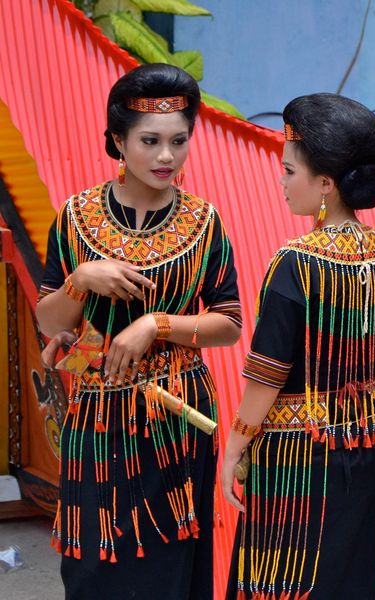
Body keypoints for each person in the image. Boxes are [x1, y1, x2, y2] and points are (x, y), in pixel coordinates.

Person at [36, 63, 241, 600]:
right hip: (96, 414)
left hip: (176, 414)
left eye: (179, 141)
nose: (166, 156)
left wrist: (156, 324)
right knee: (92, 565)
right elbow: (49, 322)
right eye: (150, 141)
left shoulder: (205, 222)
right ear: (118, 141)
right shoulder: (75, 217)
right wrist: (81, 280)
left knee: (169, 564)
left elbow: (229, 324)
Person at [221, 93, 375, 600]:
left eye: (289, 171)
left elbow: (267, 375)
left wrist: (234, 445)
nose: (281, 181)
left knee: (284, 584)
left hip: (298, 459)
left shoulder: (294, 262)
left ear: (325, 184)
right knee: (350, 583)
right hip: (368, 447)